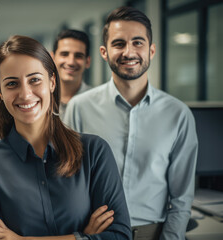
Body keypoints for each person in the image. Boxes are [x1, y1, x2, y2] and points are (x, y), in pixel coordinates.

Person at [0, 35, 132, 240]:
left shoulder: (94, 151)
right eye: (12, 84)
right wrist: (82, 236)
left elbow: (119, 236)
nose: (26, 94)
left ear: (52, 82)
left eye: (34, 80)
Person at [64, 6, 198, 240]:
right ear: (104, 52)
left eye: (138, 42)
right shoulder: (79, 107)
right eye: (119, 43)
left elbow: (181, 197)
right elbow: (67, 182)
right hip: (97, 235)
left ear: (151, 50)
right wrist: (80, 233)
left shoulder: (178, 114)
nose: (129, 52)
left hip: (153, 233)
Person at [52, 29, 92, 118]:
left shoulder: (96, 102)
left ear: (88, 62)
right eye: (64, 54)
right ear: (53, 58)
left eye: (78, 56)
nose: (71, 62)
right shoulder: (38, 101)